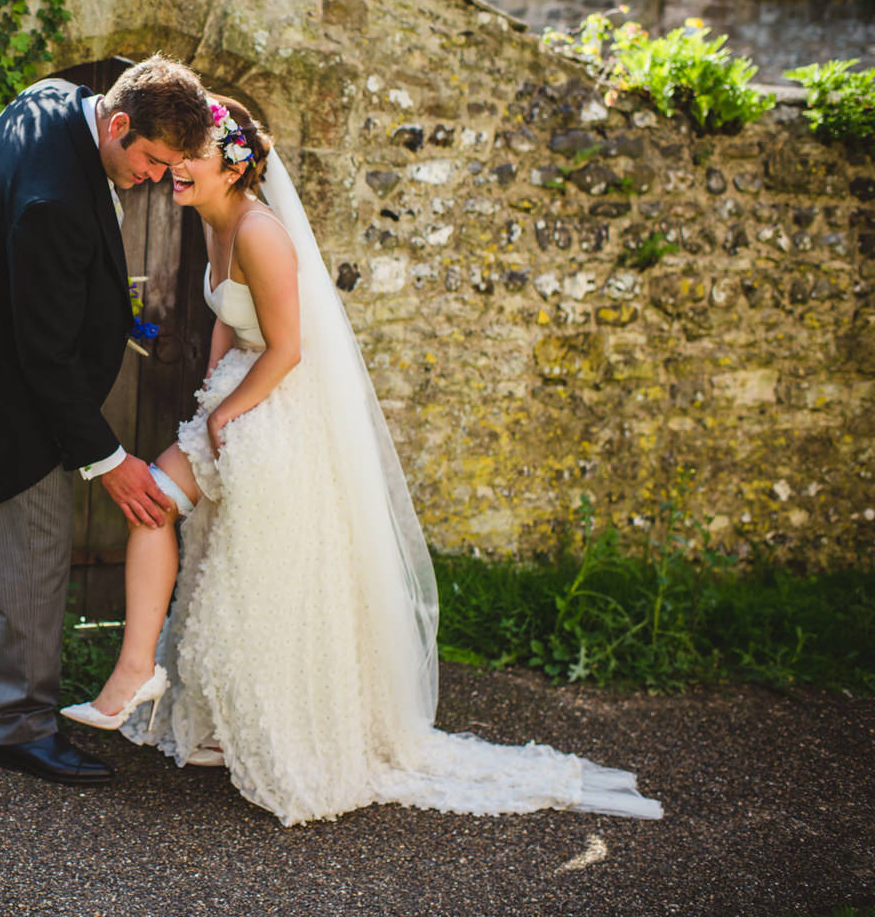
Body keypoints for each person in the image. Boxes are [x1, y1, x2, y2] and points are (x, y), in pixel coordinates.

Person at [62, 96, 664, 825]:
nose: (177, 168)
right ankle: (170, 692)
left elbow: (289, 348)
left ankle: (209, 706)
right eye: (176, 156)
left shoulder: (260, 231)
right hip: (238, 399)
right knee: (192, 533)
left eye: (193, 155)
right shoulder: (214, 222)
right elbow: (227, 315)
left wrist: (224, 410)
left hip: (279, 410)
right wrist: (210, 387)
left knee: (249, 567)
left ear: (234, 163)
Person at [0, 55, 212, 786]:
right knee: (34, 550)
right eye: (150, 160)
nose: (155, 178)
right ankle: (19, 724)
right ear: (116, 123)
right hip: (11, 390)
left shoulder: (44, 99)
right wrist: (108, 461)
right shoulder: (54, 200)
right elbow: (43, 356)